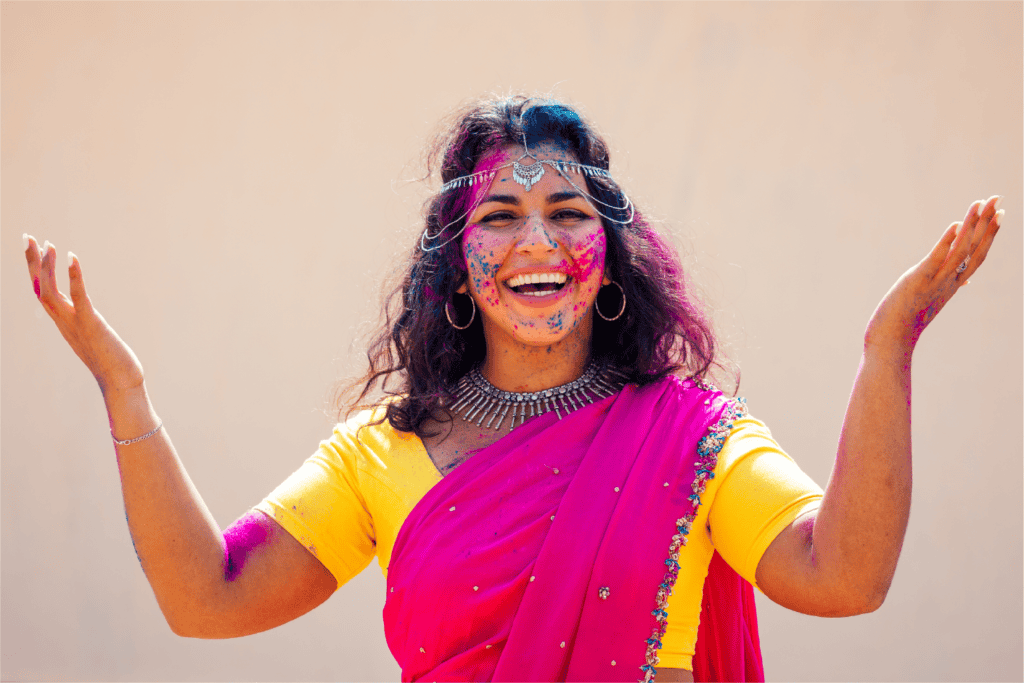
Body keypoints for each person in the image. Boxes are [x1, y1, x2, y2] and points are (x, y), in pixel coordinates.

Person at [23, 95, 1003, 682]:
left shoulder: (695, 437)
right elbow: (208, 596)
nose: (536, 240)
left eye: (566, 212)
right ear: (457, 263)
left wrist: (887, 350)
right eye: (501, 214)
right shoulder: (380, 450)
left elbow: (841, 575)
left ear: (611, 256)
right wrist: (127, 392)